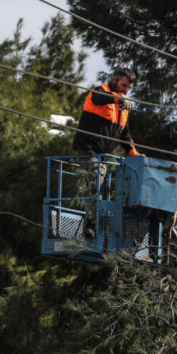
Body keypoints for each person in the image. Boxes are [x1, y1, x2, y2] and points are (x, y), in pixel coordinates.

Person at [72, 68, 141, 237]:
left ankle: (99, 222)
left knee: (104, 187)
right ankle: (90, 223)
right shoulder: (101, 91)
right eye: (123, 85)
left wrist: (135, 154)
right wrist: (118, 98)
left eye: (128, 88)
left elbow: (125, 135)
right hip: (89, 148)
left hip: (103, 155)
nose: (125, 90)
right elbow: (98, 98)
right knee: (95, 182)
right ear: (115, 80)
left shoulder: (123, 108)